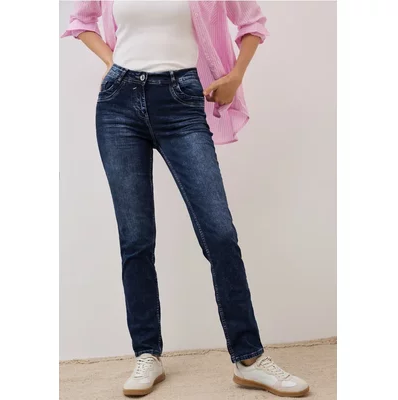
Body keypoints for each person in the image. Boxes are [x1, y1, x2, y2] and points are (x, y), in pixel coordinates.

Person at [62, 1, 310, 397]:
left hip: (181, 100)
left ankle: (249, 359)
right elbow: (81, 20)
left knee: (220, 234)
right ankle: (147, 354)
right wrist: (110, 62)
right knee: (136, 239)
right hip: (118, 105)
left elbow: (252, 23)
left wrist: (235, 75)